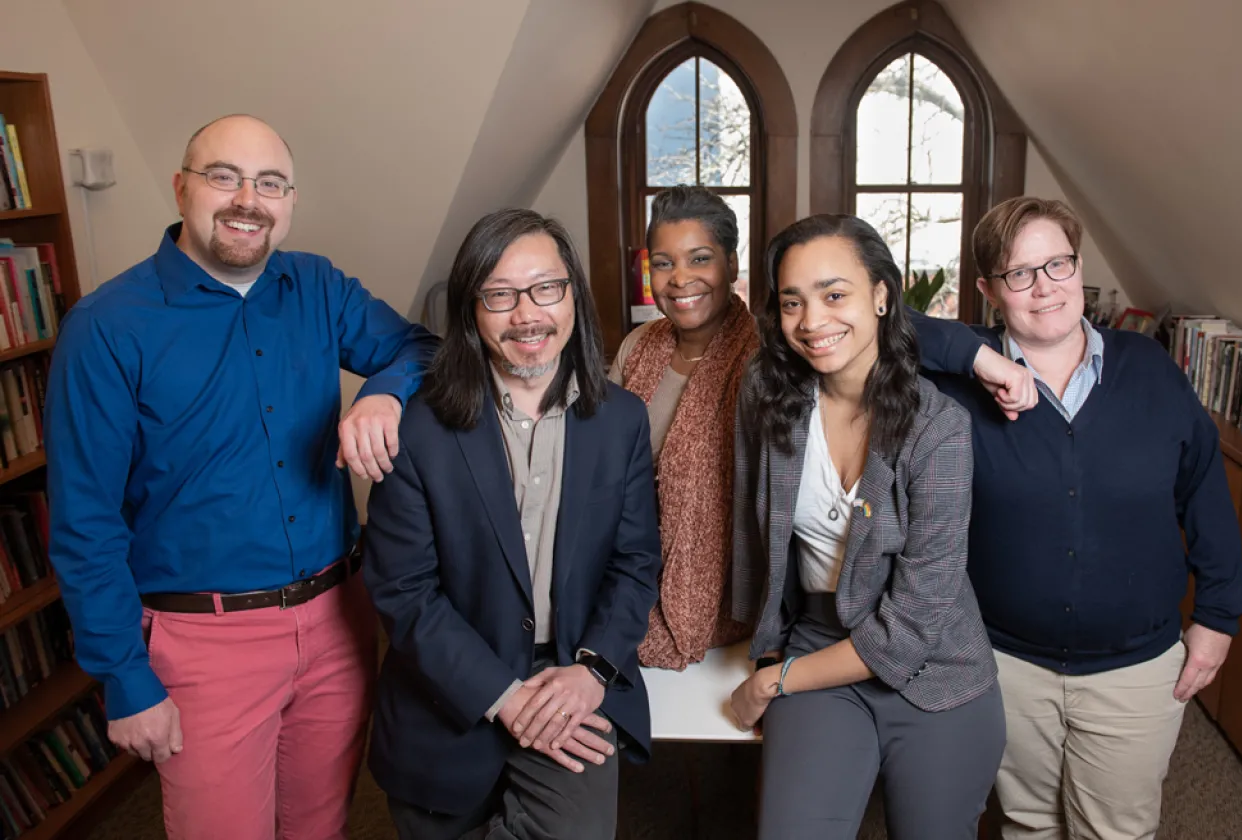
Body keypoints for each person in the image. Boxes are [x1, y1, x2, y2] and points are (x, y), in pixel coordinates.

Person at [42, 114, 437, 840]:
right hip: (202, 645)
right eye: (224, 176)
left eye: (270, 183)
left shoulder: (319, 285)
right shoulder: (105, 328)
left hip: (336, 623)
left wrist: (383, 390)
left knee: (320, 828)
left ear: (289, 201)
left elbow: (422, 348)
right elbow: (83, 524)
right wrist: (126, 679)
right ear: (182, 188)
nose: (247, 199)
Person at [912, 196, 1242, 840]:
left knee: (1116, 832)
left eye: (1058, 265)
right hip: (1002, 664)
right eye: (1019, 274)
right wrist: (981, 359)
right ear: (988, 290)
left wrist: (1218, 616)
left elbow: (1204, 490)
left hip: (1134, 670)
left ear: (1079, 265)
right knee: (1027, 825)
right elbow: (860, 319)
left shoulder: (1149, 368)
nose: (1045, 288)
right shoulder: (955, 380)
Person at [362, 208, 661, 840]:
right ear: (472, 310)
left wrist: (593, 671)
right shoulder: (417, 429)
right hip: (447, 687)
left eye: (545, 288)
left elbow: (636, 564)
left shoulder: (622, 421)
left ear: (572, 295)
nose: (527, 315)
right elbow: (404, 593)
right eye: (499, 295)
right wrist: (505, 696)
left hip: (569, 676)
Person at [729, 214, 1005, 839]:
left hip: (938, 666)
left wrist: (776, 682)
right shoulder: (768, 394)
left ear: (881, 295)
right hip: (820, 644)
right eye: (793, 301)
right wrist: (765, 645)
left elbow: (909, 631)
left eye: (835, 294)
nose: (812, 321)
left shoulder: (939, 427)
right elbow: (756, 534)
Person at [608, 186, 754, 670]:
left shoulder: (766, 360)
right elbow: (600, 464)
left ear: (732, 265)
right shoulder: (638, 347)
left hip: (729, 593)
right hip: (631, 567)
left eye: (700, 259)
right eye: (664, 263)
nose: (680, 279)